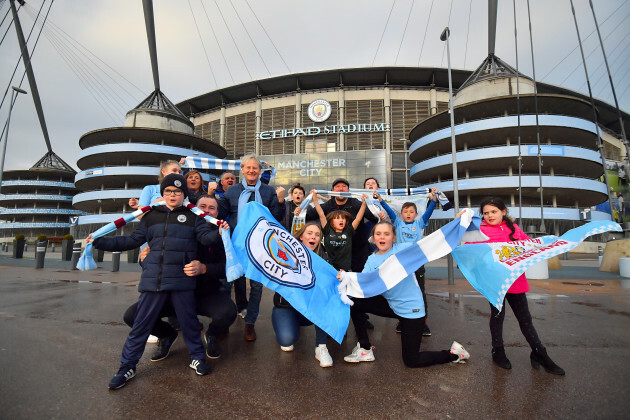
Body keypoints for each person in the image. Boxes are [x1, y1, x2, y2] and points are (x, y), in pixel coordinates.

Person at [88, 174, 226, 389]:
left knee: (189, 323)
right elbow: (132, 240)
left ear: (184, 195)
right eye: (169, 191)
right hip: (154, 280)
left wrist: (219, 231)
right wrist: (99, 242)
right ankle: (127, 367)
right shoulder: (151, 216)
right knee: (140, 326)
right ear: (163, 194)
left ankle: (197, 357)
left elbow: (205, 238)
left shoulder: (193, 216)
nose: (173, 195)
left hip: (182, 280)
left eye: (178, 192)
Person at [122, 194, 237, 362]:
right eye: (202, 206)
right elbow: (153, 265)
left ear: (217, 213)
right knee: (132, 316)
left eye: (211, 208)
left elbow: (227, 269)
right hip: (171, 292)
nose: (206, 211)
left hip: (204, 293)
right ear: (193, 209)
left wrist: (204, 268)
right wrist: (144, 260)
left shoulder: (221, 235)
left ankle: (212, 335)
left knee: (228, 312)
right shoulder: (176, 227)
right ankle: (167, 335)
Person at [340, 221, 470, 367]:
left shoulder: (404, 250)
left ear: (394, 238)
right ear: (374, 238)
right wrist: (347, 277)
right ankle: (364, 349)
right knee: (354, 301)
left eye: (386, 234)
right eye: (378, 234)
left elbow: (433, 243)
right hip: (391, 305)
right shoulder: (372, 259)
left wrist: (458, 223)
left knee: (411, 361)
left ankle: (454, 354)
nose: (382, 237)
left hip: (411, 310)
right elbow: (364, 284)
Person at [475, 197, 564, 375]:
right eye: (486, 213)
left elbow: (528, 245)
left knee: (525, 319)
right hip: (495, 283)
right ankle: (498, 351)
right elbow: (472, 252)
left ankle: (539, 353)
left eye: (494, 212)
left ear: (503, 212)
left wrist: (548, 244)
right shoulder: (479, 231)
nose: (490, 216)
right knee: (497, 317)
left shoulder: (513, 228)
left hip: (515, 281)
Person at [218, 154, 284, 341]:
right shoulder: (231, 192)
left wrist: (280, 200)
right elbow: (220, 214)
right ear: (243, 170)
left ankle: (250, 323)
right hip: (235, 245)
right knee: (226, 284)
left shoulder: (268, 192)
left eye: (255, 168)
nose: (251, 171)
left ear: (260, 171)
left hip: (259, 245)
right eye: (248, 168)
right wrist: (211, 195)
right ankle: (222, 322)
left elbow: (276, 218)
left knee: (256, 285)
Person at [376, 188, 439, 336]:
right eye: (405, 211)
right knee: (402, 292)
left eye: (411, 211)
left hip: (417, 264)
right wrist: (380, 199)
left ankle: (423, 323)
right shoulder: (397, 223)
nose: (408, 214)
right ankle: (402, 321)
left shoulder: (420, 223)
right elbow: (388, 210)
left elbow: (429, 212)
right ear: (402, 214)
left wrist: (434, 201)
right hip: (401, 264)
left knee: (420, 292)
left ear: (416, 214)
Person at [271, 222, 333, 367]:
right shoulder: (285, 254)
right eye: (310, 233)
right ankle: (288, 324)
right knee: (286, 340)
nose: (314, 237)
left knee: (326, 301)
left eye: (317, 235)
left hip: (310, 308)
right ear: (301, 237)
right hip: (287, 306)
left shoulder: (324, 256)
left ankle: (321, 347)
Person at [305, 178, 378, 272]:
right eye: (338, 187)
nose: (341, 189)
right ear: (333, 191)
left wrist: (377, 213)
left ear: (348, 190)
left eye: (344, 187)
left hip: (358, 252)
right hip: (335, 258)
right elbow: (318, 214)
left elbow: (368, 217)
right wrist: (300, 210)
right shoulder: (328, 206)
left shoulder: (355, 203)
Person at [310, 189, 367, 272]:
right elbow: (321, 214)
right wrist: (315, 200)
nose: (341, 220)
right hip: (329, 268)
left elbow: (358, 218)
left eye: (343, 219)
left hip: (345, 270)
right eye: (337, 219)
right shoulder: (327, 230)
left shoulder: (348, 231)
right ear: (331, 221)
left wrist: (364, 204)